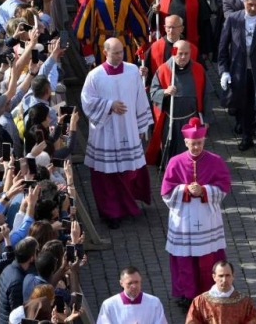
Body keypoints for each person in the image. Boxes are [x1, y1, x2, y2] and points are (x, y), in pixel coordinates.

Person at [81, 37, 153, 229]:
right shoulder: (95, 76)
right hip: (106, 133)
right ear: (105, 53)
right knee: (107, 176)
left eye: (121, 52)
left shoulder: (132, 71)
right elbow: (87, 102)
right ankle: (111, 213)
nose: (119, 56)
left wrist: (141, 127)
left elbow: (140, 99)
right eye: (115, 53)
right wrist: (109, 106)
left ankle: (127, 207)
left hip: (128, 130)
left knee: (128, 171)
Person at [161, 117, 233, 310]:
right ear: (186, 142)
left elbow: (224, 187)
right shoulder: (175, 162)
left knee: (207, 259)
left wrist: (205, 191)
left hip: (207, 219)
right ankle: (187, 295)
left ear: (204, 141)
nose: (196, 148)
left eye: (199, 143)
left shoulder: (215, 161)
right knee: (184, 261)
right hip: (183, 220)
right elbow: (166, 192)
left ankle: (210, 292)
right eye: (192, 144)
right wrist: (185, 190)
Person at [219, 0, 256, 157]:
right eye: (250, 4)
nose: (253, 8)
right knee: (244, 105)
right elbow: (223, 48)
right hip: (239, 70)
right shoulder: (233, 19)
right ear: (244, 2)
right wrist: (224, 71)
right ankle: (246, 136)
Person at [146, 40, 209, 167]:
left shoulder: (198, 69)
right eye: (180, 54)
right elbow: (153, 93)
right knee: (171, 153)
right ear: (173, 53)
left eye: (186, 54)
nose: (184, 57)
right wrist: (165, 92)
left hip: (191, 121)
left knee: (191, 153)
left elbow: (206, 95)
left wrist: (206, 118)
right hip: (171, 122)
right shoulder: (163, 69)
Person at [185, 261, 256, 323]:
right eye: (221, 276)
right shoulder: (200, 301)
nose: (224, 280)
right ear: (214, 277)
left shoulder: (245, 302)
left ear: (233, 276)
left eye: (227, 275)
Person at [96, 266, 168, 324]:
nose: (134, 286)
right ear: (121, 283)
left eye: (136, 282)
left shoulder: (154, 302)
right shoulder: (109, 305)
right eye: (130, 283)